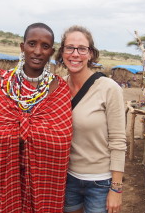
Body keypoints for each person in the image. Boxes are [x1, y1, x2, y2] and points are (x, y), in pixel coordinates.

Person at [0, 23, 73, 213]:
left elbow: (61, 139)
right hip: (6, 175)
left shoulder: (59, 88)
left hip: (43, 180)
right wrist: (31, 132)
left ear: (51, 51)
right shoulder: (1, 82)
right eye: (32, 44)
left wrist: (17, 131)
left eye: (45, 46)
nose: (37, 51)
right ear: (22, 47)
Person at [55, 25, 127, 213]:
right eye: (69, 47)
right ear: (62, 52)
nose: (75, 54)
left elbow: (118, 141)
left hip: (100, 183)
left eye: (82, 49)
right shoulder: (58, 87)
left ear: (91, 54)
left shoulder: (109, 89)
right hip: (67, 179)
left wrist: (116, 188)